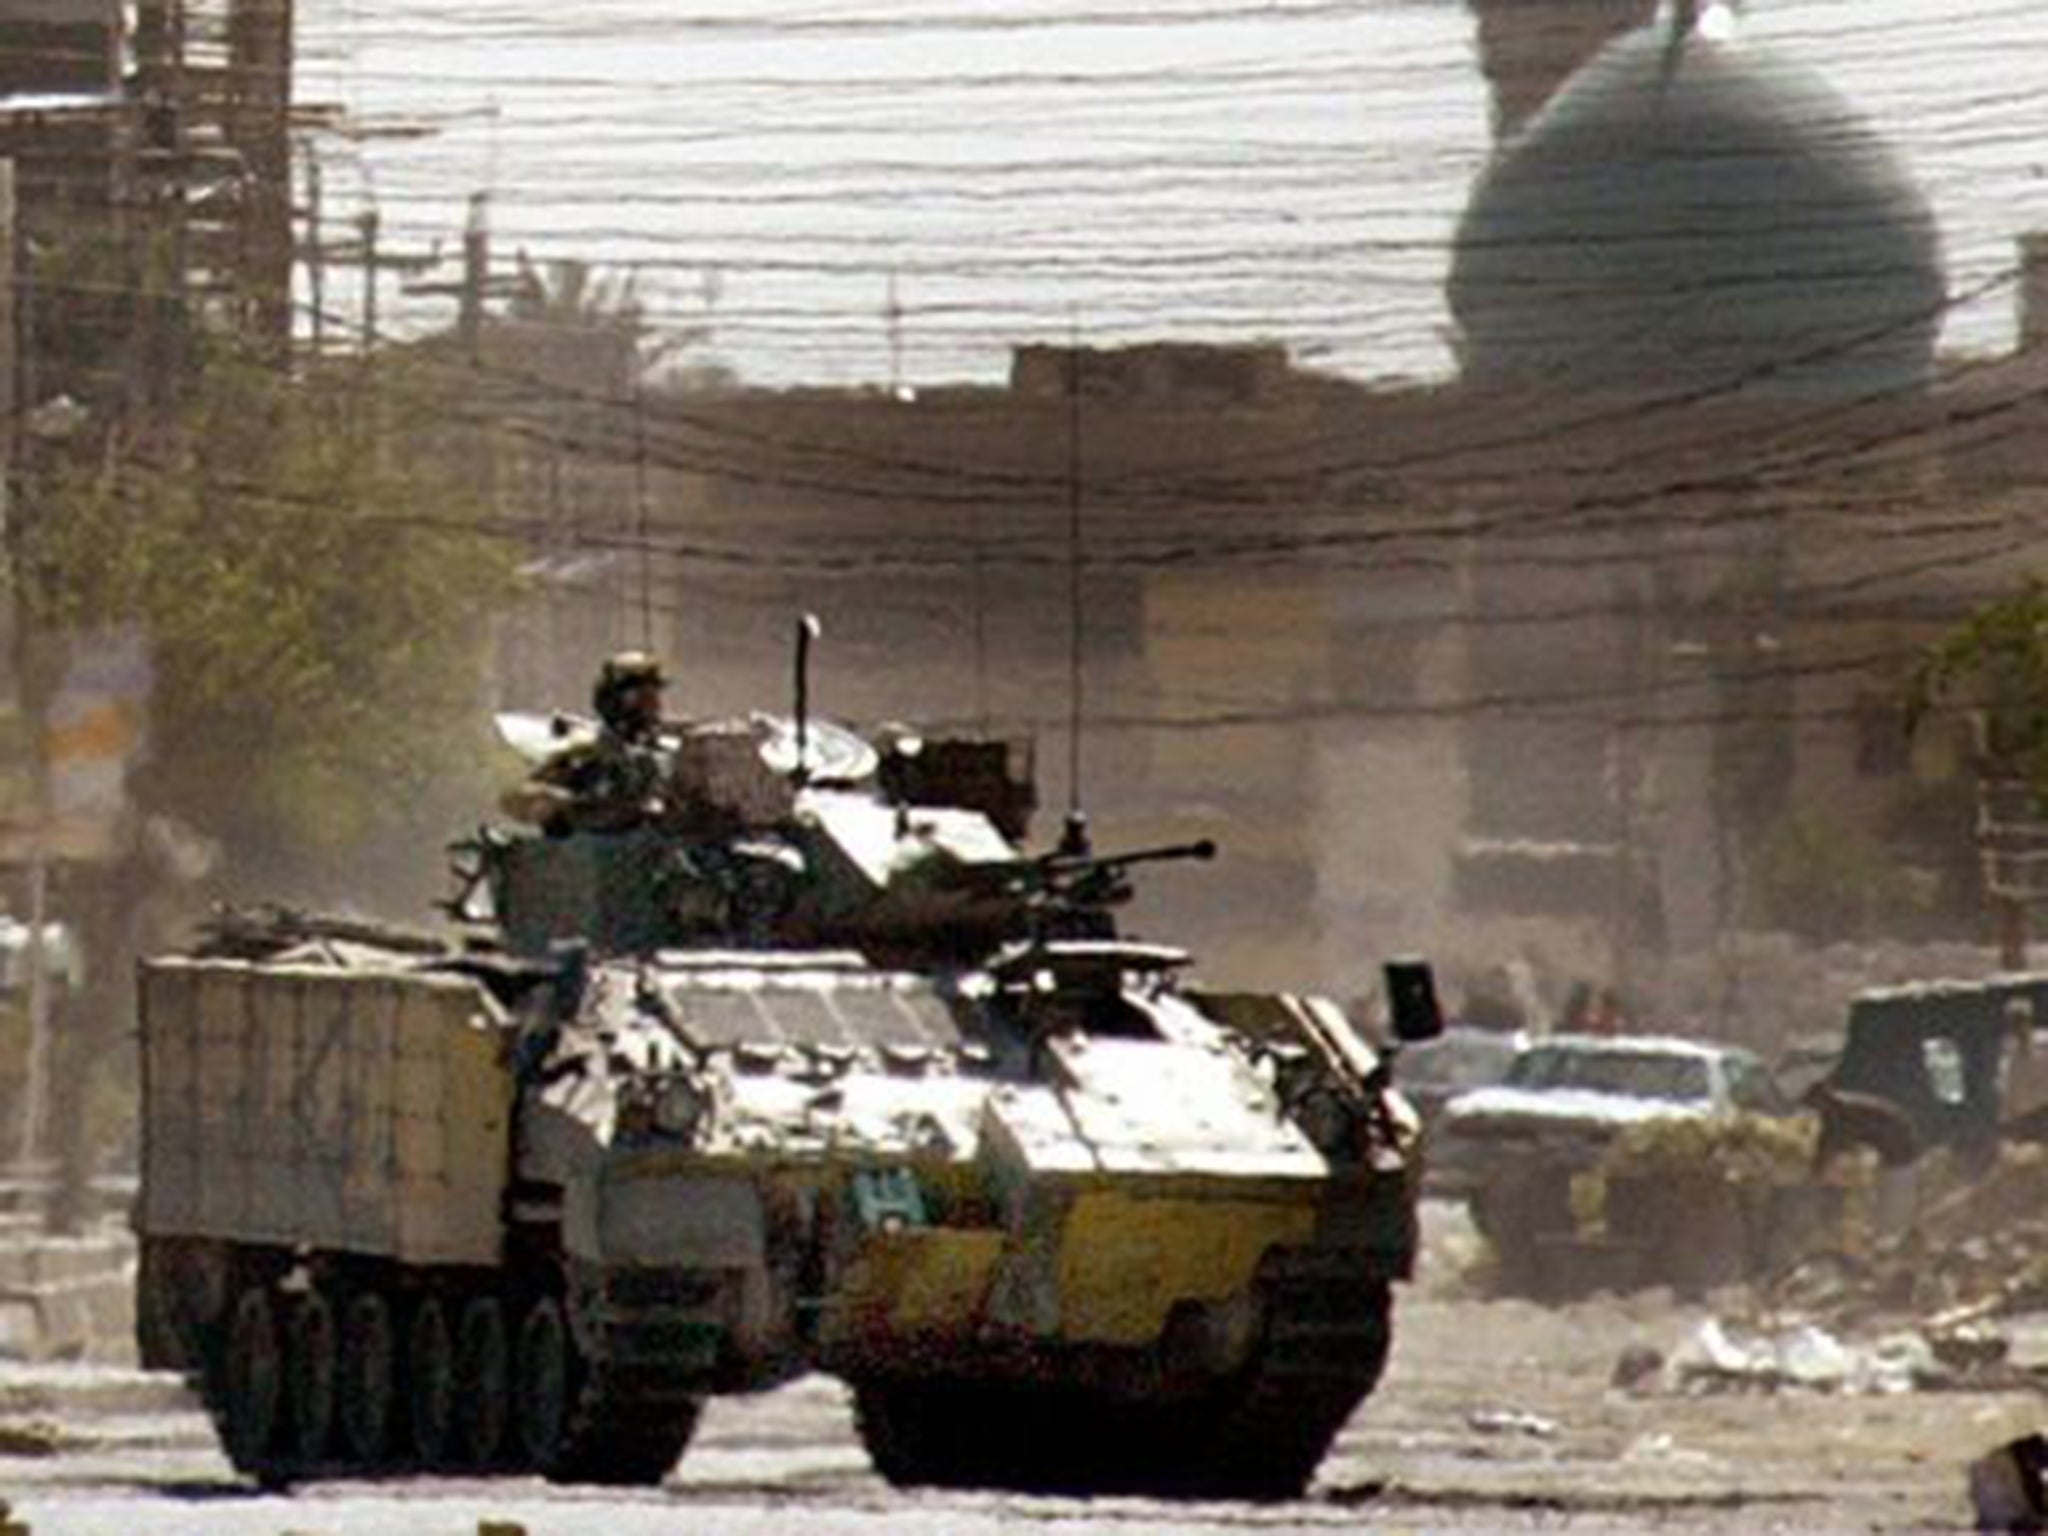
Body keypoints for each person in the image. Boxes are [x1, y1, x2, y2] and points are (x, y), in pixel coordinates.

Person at [503, 651, 674, 834]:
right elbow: (517, 799)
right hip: (594, 851)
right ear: (614, 700)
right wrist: (570, 805)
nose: (653, 705)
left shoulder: (660, 748)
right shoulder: (588, 747)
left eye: (654, 695)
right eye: (642, 697)